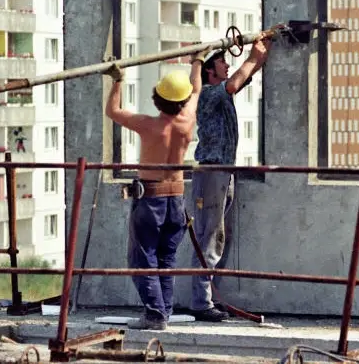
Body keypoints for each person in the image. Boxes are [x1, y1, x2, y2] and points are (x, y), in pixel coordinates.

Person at [104, 50, 206, 330]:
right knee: (166, 259)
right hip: (176, 199)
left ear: (157, 98)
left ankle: (155, 315)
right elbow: (196, 88)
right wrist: (197, 61)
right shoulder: (188, 121)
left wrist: (117, 80)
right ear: (182, 100)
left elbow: (112, 111)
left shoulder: (149, 125)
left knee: (143, 257)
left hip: (150, 199)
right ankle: (163, 312)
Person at [189, 36, 272, 322]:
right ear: (210, 70)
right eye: (223, 62)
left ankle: (205, 298)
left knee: (214, 236)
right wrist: (251, 56)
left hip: (222, 171)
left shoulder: (218, 94)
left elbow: (243, 77)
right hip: (213, 171)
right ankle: (201, 303)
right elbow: (236, 82)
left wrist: (260, 54)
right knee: (209, 237)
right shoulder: (209, 93)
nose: (227, 65)